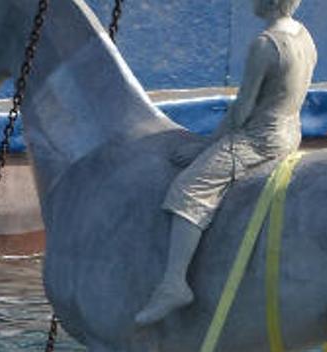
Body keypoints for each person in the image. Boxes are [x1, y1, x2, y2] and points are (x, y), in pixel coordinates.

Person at [136, 0, 317, 326]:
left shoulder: (265, 45)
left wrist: (206, 146)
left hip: (260, 140)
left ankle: (174, 283)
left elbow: (242, 111)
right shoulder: (304, 35)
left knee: (188, 188)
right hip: (291, 134)